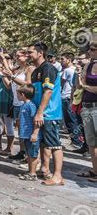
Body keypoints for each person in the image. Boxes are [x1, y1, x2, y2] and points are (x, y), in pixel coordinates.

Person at [28, 42, 64, 186]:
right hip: (40, 112)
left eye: (30, 52)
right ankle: (45, 169)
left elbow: (48, 91)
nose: (28, 55)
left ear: (40, 53)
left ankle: (58, 176)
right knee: (44, 144)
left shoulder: (48, 68)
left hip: (49, 113)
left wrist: (40, 112)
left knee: (55, 144)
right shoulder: (36, 70)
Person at [1, 48, 35, 161]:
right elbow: (10, 85)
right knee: (20, 130)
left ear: (26, 56)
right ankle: (22, 151)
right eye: (15, 55)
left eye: (19, 55)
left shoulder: (29, 69)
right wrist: (3, 75)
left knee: (25, 129)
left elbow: (28, 85)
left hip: (24, 103)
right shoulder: (18, 69)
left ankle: (29, 154)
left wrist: (12, 77)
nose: (16, 57)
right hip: (16, 102)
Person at [76, 40, 97, 182]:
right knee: (91, 142)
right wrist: (81, 79)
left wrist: (85, 86)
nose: (90, 51)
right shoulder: (89, 65)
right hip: (87, 105)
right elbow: (80, 83)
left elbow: (86, 85)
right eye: (89, 49)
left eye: (93, 49)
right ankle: (95, 171)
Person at [16, 85, 41, 181]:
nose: (17, 96)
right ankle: (30, 171)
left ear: (22, 95)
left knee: (33, 154)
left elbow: (36, 121)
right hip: (25, 135)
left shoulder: (31, 106)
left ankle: (33, 173)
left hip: (31, 135)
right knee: (29, 154)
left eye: (18, 94)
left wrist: (35, 133)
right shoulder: (24, 105)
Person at [60, 52, 82, 147]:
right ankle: (78, 140)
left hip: (66, 97)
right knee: (75, 120)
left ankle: (76, 141)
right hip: (73, 97)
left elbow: (61, 83)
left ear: (69, 60)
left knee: (70, 121)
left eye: (63, 59)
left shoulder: (67, 70)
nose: (61, 61)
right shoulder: (75, 70)